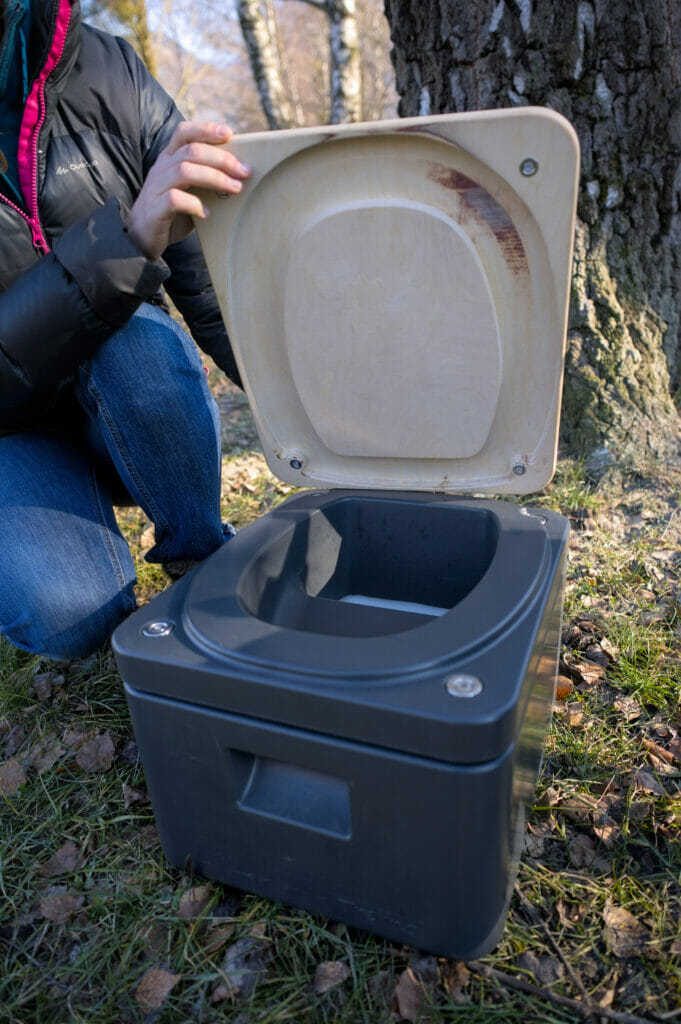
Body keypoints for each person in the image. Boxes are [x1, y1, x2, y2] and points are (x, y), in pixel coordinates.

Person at [0, 0, 251, 661]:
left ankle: (201, 562)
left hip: (123, 396)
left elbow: (208, 288)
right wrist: (124, 244)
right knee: (68, 617)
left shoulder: (111, 68)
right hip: (9, 432)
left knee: (139, 340)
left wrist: (333, 426)